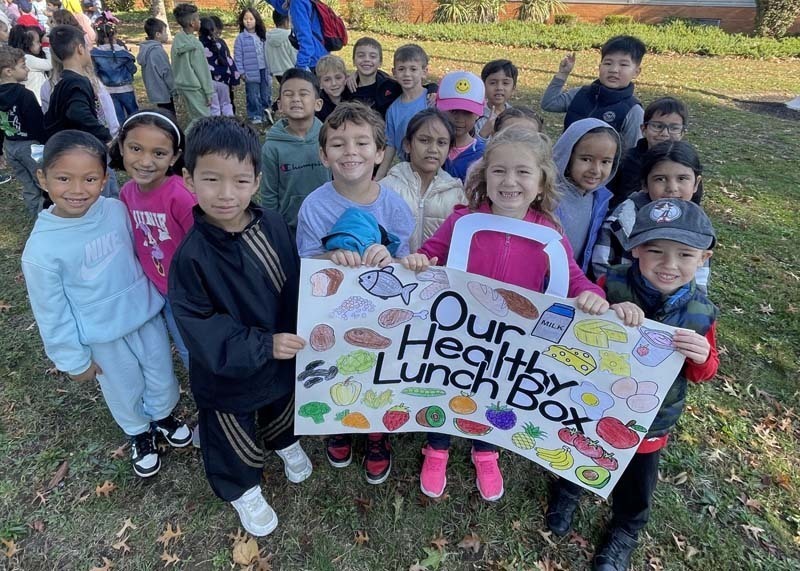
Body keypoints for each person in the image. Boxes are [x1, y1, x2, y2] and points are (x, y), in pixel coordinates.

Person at [402, 126, 612, 501]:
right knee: (446, 384)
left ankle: (487, 450)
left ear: (541, 180)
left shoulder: (549, 234)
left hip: (512, 341)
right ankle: (437, 447)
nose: (509, 181)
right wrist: (420, 259)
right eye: (499, 171)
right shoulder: (462, 220)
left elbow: (575, 280)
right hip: (458, 330)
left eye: (522, 172)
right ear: (485, 175)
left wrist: (593, 295)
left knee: (496, 393)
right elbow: (432, 252)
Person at [546, 198, 719, 571]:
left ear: (703, 258)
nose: (669, 265)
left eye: (684, 255)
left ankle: (625, 528)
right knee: (580, 444)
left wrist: (701, 356)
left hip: (651, 419)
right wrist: (603, 308)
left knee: (637, 480)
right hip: (596, 397)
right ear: (635, 248)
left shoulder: (701, 311)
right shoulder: (613, 282)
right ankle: (569, 489)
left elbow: (704, 372)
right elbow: (579, 328)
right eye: (655, 251)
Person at [169, 117, 313, 537]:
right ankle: (242, 488)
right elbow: (200, 325)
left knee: (280, 404)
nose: (226, 194)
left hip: (281, 352)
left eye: (240, 180)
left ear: (257, 181)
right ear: (189, 180)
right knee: (232, 428)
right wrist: (260, 345)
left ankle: (283, 441)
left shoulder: (271, 225)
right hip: (230, 371)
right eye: (211, 179)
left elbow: (295, 280)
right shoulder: (192, 257)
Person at [21, 130, 191, 478]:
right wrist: (72, 359)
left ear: (105, 178)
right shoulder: (41, 250)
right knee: (123, 387)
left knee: (160, 373)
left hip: (144, 316)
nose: (77, 190)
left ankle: (163, 416)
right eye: (64, 179)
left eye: (89, 178)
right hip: (103, 336)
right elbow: (51, 313)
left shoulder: (116, 210)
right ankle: (139, 433)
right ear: (42, 178)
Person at [295, 101, 415, 485]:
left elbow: (407, 265)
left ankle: (377, 433)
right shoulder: (314, 206)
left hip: (380, 314)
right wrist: (331, 257)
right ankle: (338, 424)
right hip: (332, 313)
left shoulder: (395, 205)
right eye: (338, 144)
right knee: (336, 363)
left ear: (380, 152)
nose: (351, 152)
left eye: (362, 143)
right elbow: (307, 261)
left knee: (380, 368)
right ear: (323, 154)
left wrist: (389, 258)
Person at [111, 109, 195, 369]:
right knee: (180, 345)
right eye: (136, 148)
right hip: (158, 288)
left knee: (195, 346)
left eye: (158, 153)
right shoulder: (127, 193)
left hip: (191, 291)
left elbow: (204, 244)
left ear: (175, 157)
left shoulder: (180, 195)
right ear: (122, 146)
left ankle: (215, 391)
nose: (146, 161)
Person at [592, 140, 710, 292]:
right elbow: (601, 266)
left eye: (682, 179)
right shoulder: (620, 221)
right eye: (660, 179)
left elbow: (699, 282)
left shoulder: (699, 226)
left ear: (696, 183)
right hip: (620, 305)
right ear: (645, 184)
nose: (672, 188)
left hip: (676, 308)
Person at [379, 108, 464, 252]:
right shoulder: (386, 189)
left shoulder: (458, 196)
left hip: (438, 273)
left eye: (441, 143)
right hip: (396, 271)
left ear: (449, 149)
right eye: (424, 140)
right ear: (407, 145)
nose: (433, 149)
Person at [542, 35, 645, 151]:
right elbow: (549, 103)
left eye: (623, 65)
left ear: (636, 72)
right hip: (566, 165)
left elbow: (632, 152)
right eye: (608, 63)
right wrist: (562, 74)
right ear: (599, 67)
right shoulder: (581, 93)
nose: (614, 70)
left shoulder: (633, 111)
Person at [259, 68, 329, 236]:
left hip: (328, 223)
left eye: (303, 94)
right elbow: (269, 194)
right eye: (288, 94)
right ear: (280, 105)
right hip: (289, 228)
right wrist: (273, 228)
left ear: (317, 104)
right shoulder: (271, 147)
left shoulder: (329, 139)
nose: (296, 99)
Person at [553, 118, 620, 276]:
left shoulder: (599, 198)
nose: (596, 170)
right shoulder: (548, 195)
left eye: (605, 162)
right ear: (567, 155)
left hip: (572, 284)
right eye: (586, 159)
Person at [608, 96, 700, 207]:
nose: (665, 133)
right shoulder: (625, 160)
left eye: (674, 128)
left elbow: (694, 205)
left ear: (682, 133)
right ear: (643, 129)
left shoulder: (687, 163)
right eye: (657, 126)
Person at [0, 44, 47, 216]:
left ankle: (36, 213)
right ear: (8, 71)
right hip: (30, 146)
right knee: (43, 179)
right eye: (23, 66)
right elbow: (37, 124)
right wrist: (46, 143)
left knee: (27, 184)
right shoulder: (25, 95)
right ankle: (49, 214)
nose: (27, 70)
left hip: (10, 145)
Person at [44, 24, 110, 144]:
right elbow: (77, 112)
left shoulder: (61, 83)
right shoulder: (77, 82)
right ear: (80, 49)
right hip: (76, 149)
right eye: (87, 47)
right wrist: (105, 136)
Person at [374, 44, 429, 180]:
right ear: (394, 72)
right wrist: (378, 179)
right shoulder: (393, 110)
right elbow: (391, 146)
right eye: (401, 69)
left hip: (432, 169)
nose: (407, 74)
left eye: (413, 69)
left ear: (424, 71)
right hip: (406, 174)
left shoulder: (431, 100)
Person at [435, 70, 486, 183]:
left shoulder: (482, 154)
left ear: (478, 114)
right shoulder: (430, 146)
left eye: (467, 112)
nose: (459, 119)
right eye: (453, 111)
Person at [171, 3, 213, 126]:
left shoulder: (177, 40)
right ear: (192, 23)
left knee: (196, 117)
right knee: (203, 119)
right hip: (195, 87)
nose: (200, 21)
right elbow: (202, 71)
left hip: (183, 86)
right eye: (198, 19)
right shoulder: (196, 45)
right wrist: (209, 92)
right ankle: (185, 142)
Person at [91, 14, 138, 124]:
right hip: (126, 88)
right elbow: (133, 69)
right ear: (114, 36)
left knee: (117, 118)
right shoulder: (123, 53)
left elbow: (95, 72)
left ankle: (120, 138)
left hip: (108, 90)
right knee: (134, 115)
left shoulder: (95, 54)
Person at [234, 7, 271, 125]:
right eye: (245, 19)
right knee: (253, 94)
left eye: (251, 19)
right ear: (242, 21)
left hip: (264, 69)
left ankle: (266, 112)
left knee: (266, 93)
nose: (248, 21)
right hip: (250, 71)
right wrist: (241, 72)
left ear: (256, 20)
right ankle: (255, 114)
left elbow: (269, 52)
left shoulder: (263, 36)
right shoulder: (240, 38)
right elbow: (238, 56)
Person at [267, 0, 326, 72]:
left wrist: (300, 68)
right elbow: (281, 7)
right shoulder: (296, 3)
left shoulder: (297, 3)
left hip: (314, 61)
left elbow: (306, 41)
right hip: (319, 55)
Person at [138, 18, 176, 114]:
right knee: (169, 116)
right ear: (158, 35)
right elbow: (166, 72)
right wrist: (174, 89)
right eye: (165, 32)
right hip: (163, 91)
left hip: (154, 91)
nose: (167, 34)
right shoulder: (157, 51)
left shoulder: (145, 49)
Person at [199, 17, 235, 117]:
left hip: (209, 83)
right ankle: (231, 125)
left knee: (214, 108)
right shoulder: (220, 43)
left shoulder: (198, 45)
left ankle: (216, 129)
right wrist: (234, 78)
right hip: (223, 81)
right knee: (226, 105)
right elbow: (229, 61)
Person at [8, 23, 50, 104]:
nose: (40, 44)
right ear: (28, 44)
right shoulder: (27, 58)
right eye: (38, 42)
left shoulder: (21, 57)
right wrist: (46, 45)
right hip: (37, 99)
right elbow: (49, 64)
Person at [475, 59, 517, 139]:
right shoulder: (475, 116)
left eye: (505, 83)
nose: (499, 88)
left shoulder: (515, 117)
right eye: (493, 83)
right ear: (483, 86)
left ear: (513, 88)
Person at [265, 9, 296, 85]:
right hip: (291, 71)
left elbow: (266, 55)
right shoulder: (289, 36)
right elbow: (294, 55)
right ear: (286, 21)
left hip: (277, 72)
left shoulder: (268, 37)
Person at [314, 53, 345, 122]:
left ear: (346, 78)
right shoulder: (318, 105)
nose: (334, 83)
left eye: (338, 78)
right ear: (320, 84)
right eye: (327, 80)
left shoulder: (354, 95)